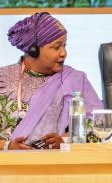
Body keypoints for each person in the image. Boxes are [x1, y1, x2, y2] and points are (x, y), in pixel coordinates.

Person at [0, 12, 102, 150]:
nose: (63, 53)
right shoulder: (3, 78)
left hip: (60, 165)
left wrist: (66, 141)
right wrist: (7, 146)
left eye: (64, 46)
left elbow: (100, 126)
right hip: (8, 167)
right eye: (56, 47)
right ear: (33, 50)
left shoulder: (74, 79)